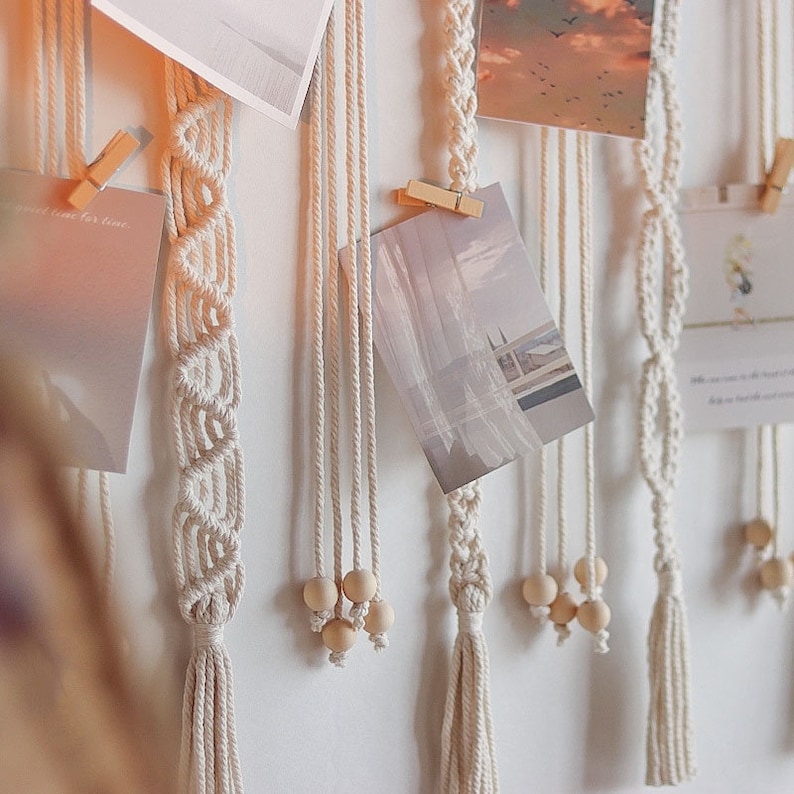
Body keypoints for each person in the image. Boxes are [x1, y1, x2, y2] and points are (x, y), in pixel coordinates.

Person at [725, 233, 754, 328]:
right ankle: (738, 323)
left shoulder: (738, 275)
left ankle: (748, 319)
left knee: (738, 309)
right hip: (738, 293)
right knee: (737, 310)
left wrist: (733, 288)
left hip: (738, 293)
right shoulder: (739, 274)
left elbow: (737, 284)